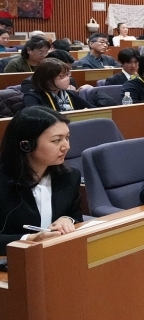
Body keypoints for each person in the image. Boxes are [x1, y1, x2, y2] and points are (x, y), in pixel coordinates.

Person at [0, 107, 83, 252]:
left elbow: (75, 217)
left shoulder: (70, 177)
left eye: (67, 138)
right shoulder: (3, 182)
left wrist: (67, 220)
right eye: (56, 140)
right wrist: (31, 239)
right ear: (26, 145)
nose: (66, 146)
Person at [23, 59, 91, 111]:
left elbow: (93, 110)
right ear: (47, 79)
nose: (67, 78)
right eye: (61, 76)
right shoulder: (32, 97)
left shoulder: (71, 94)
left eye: (67, 74)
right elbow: (35, 120)